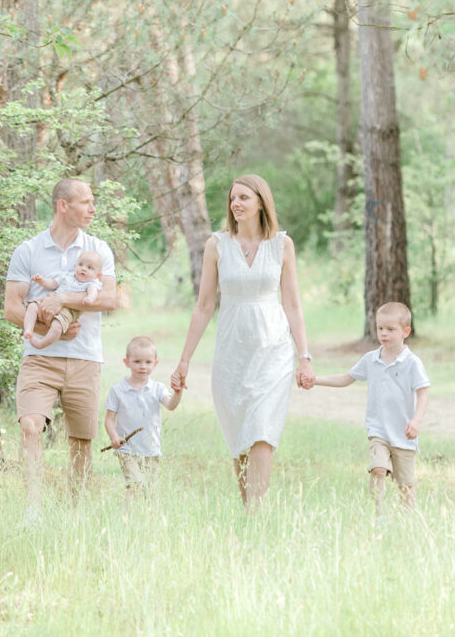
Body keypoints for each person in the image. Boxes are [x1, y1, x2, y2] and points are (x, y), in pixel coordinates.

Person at [171, 174, 314, 510]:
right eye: (233, 199)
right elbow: (204, 306)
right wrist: (184, 360)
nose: (236, 204)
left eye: (244, 198)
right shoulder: (216, 245)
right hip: (232, 351)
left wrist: (304, 355)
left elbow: (292, 303)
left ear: (261, 202)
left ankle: (257, 510)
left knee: (263, 429)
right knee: (239, 435)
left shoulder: (282, 245)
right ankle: (248, 510)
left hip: (273, 350)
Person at [4, 178, 117, 517]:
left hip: (85, 358)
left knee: (81, 441)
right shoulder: (29, 250)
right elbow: (11, 307)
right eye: (86, 202)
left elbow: (109, 297)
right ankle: (33, 510)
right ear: (63, 206)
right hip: (39, 357)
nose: (93, 209)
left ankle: (75, 512)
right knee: (29, 426)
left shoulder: (99, 250)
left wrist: (63, 298)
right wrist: (48, 328)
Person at [313, 302, 430, 517]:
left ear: (406, 332)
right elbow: (345, 379)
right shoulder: (371, 359)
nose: (383, 333)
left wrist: (416, 421)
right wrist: (315, 380)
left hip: (403, 434)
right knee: (377, 470)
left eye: (390, 329)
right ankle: (379, 515)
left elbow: (423, 393)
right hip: (378, 431)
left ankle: (409, 521)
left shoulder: (412, 363)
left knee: (406, 485)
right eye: (380, 328)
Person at [104, 336, 182, 499]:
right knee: (135, 484)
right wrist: (114, 437)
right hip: (127, 449)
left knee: (149, 491)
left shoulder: (158, 388)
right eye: (137, 361)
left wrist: (177, 393)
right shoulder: (118, 390)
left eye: (148, 362)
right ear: (127, 362)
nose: (143, 366)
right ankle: (127, 518)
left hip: (151, 449)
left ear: (155, 363)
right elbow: (110, 419)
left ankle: (146, 518)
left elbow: (171, 405)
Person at [23, 250, 103, 350]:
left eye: (90, 267)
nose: (84, 269)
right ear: (75, 266)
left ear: (98, 275)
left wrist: (89, 298)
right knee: (32, 306)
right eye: (81, 264)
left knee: (57, 327)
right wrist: (41, 280)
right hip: (52, 298)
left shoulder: (91, 283)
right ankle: (28, 329)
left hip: (69, 309)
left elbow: (93, 292)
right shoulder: (67, 276)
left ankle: (41, 344)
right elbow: (53, 284)